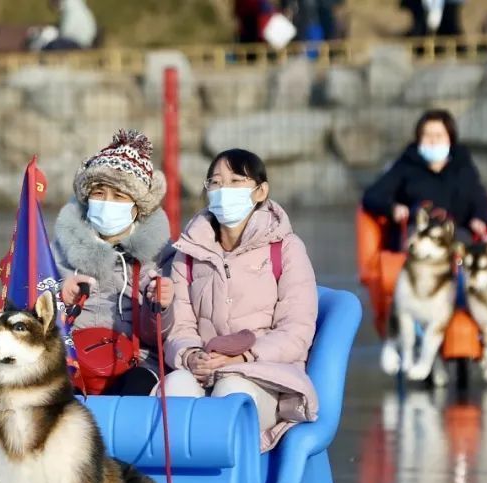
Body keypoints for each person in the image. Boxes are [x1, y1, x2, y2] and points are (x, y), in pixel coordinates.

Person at [163, 149, 318, 452]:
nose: (224, 191)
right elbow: (178, 327)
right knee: (174, 388)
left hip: (265, 377)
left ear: (261, 191)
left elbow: (297, 330)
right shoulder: (189, 253)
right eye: (216, 182)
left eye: (236, 181)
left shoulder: (286, 248)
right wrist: (191, 356)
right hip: (204, 373)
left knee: (231, 392)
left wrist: (243, 359)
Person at [54, 129, 173, 396]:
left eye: (119, 196)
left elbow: (159, 337)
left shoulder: (161, 257)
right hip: (69, 358)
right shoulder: (57, 251)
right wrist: (59, 298)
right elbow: (29, 309)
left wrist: (159, 306)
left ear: (138, 206)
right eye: (99, 192)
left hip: (135, 360)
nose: (107, 202)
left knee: (140, 386)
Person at [362, 108, 487, 248]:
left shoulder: (463, 166)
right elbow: (372, 195)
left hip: (454, 232)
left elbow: (480, 200)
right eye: (427, 135)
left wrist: (479, 218)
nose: (433, 141)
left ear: (450, 138)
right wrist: (393, 208)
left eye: (439, 135)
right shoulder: (406, 164)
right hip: (417, 232)